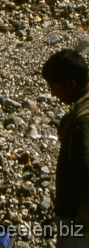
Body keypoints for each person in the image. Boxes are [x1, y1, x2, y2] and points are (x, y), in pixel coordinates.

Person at [42, 49, 89, 246]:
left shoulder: (83, 124)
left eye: (54, 87)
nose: (52, 94)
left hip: (79, 220)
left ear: (71, 84)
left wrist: (64, 207)